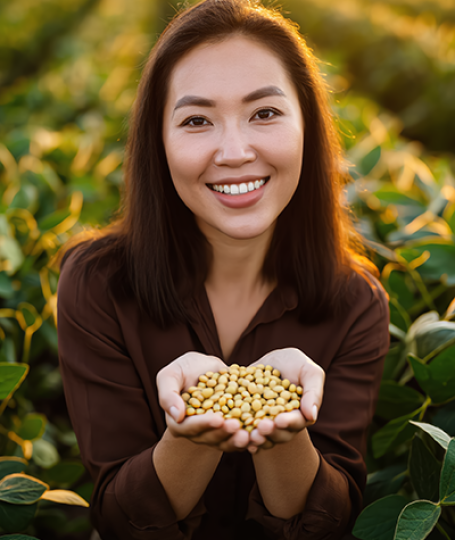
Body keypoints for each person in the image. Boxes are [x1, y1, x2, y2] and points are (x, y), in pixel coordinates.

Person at [56, 0, 390, 538]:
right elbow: (119, 518)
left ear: (308, 125)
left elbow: (332, 518)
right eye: (196, 120)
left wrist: (285, 431)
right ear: (157, 142)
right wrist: (189, 433)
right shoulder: (96, 284)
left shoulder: (356, 301)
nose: (234, 152)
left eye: (264, 113)